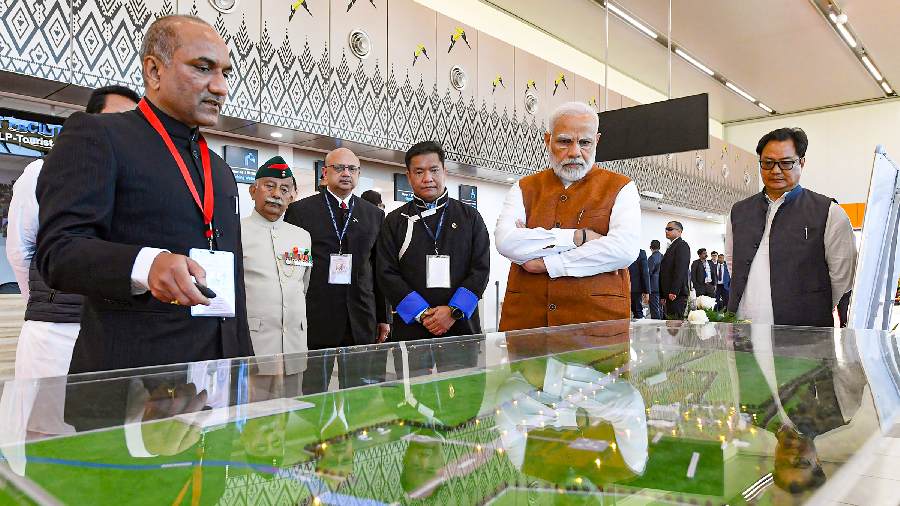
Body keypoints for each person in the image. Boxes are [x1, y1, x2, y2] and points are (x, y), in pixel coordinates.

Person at [35, 15, 252, 373]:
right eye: (203, 68)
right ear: (153, 71)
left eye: (225, 73)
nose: (220, 87)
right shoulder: (99, 136)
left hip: (221, 375)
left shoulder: (220, 169)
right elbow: (59, 251)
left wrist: (243, 369)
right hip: (134, 384)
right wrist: (147, 265)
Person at [6, 85, 139, 381]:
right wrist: (46, 299)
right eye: (114, 118)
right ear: (89, 121)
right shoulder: (41, 172)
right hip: (55, 331)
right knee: (45, 424)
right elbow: (21, 249)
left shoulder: (136, 182)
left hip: (113, 327)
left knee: (105, 424)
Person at [494, 102, 640, 331]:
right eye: (564, 141)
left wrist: (547, 263)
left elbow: (624, 250)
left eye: (585, 143)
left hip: (596, 326)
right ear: (547, 140)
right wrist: (579, 237)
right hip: (527, 323)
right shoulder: (524, 187)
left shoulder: (621, 187)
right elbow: (507, 242)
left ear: (597, 141)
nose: (574, 152)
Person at [284, 147, 390, 393]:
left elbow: (378, 268)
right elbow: (292, 269)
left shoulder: (373, 215)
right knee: (314, 390)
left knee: (358, 391)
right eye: (339, 168)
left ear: (358, 174)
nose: (346, 173)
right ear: (325, 172)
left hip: (361, 316)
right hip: (316, 315)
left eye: (352, 169)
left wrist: (384, 316)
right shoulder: (301, 211)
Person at [726, 128, 856, 326]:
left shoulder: (828, 211)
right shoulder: (739, 211)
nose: (776, 170)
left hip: (804, 329)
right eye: (768, 163)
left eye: (786, 163)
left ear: (801, 162)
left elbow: (842, 275)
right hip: (745, 327)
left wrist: (811, 306)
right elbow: (732, 262)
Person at [377, 141, 490, 349]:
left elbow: (480, 269)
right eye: (419, 172)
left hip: (462, 326)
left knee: (465, 382)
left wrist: (453, 311)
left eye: (434, 170)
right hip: (412, 329)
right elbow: (386, 273)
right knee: (414, 382)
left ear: (444, 171)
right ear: (409, 176)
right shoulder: (395, 221)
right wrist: (422, 313)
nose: (427, 178)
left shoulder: (469, 217)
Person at [241, 156, 311, 397]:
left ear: (292, 196)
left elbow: (302, 286)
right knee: (254, 422)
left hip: (294, 346)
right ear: (253, 191)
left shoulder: (302, 237)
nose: (276, 194)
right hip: (254, 347)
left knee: (292, 419)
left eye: (284, 189)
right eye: (269, 186)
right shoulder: (235, 231)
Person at [659, 221, 690, 319]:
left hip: (676, 294)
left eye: (669, 229)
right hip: (669, 294)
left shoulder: (682, 245)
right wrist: (663, 295)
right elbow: (664, 272)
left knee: (675, 328)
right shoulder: (672, 246)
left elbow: (681, 270)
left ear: (679, 231)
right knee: (669, 326)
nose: (666, 231)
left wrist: (674, 291)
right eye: (666, 229)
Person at [627, 249, 649, 319]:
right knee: (638, 312)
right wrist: (646, 291)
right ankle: (639, 329)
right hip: (635, 288)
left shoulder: (620, 250)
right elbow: (645, 272)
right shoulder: (640, 252)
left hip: (621, 287)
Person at [647, 240, 664, 319]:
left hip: (653, 287)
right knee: (660, 309)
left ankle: (656, 328)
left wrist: (646, 289)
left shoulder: (652, 258)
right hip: (662, 287)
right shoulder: (663, 257)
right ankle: (660, 327)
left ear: (651, 247)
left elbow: (648, 274)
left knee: (654, 309)